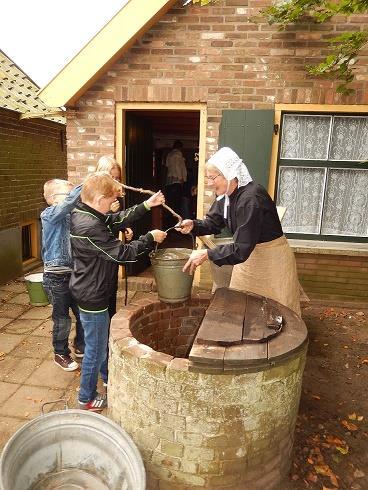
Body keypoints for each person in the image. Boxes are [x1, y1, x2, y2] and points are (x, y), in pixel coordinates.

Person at [69, 173, 166, 411]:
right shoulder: (88, 225)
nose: (114, 203)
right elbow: (122, 254)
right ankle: (87, 398)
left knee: (100, 343)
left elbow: (115, 220)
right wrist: (150, 238)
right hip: (92, 295)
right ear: (100, 198)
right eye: (111, 199)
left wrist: (146, 205)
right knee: (95, 348)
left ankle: (109, 377)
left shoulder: (87, 213)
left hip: (91, 288)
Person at [178, 147, 301, 316]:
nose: (208, 183)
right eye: (207, 178)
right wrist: (194, 225)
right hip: (249, 258)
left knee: (279, 311)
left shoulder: (250, 199)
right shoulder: (225, 196)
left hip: (272, 259)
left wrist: (207, 254)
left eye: (212, 177)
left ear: (229, 174)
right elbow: (213, 223)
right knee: (243, 307)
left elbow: (241, 249)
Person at [41, 179, 85, 371]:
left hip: (74, 274)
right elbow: (67, 205)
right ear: (51, 199)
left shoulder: (70, 216)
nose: (72, 199)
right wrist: (88, 181)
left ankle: (81, 345)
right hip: (55, 277)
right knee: (62, 318)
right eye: (67, 194)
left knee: (82, 313)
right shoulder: (49, 214)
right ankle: (60, 353)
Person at [96, 155, 133, 318]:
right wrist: (110, 211)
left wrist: (125, 227)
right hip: (98, 253)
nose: (115, 181)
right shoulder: (93, 197)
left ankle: (110, 326)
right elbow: (95, 226)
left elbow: (117, 220)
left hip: (112, 249)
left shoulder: (118, 195)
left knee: (112, 288)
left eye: (117, 177)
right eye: (111, 177)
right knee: (99, 294)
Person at [165, 140, 187, 225]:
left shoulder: (169, 155)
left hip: (169, 182)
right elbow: (178, 167)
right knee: (177, 205)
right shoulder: (178, 154)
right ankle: (176, 224)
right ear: (180, 147)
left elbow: (167, 166)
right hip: (176, 182)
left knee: (170, 205)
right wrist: (181, 179)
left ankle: (170, 224)